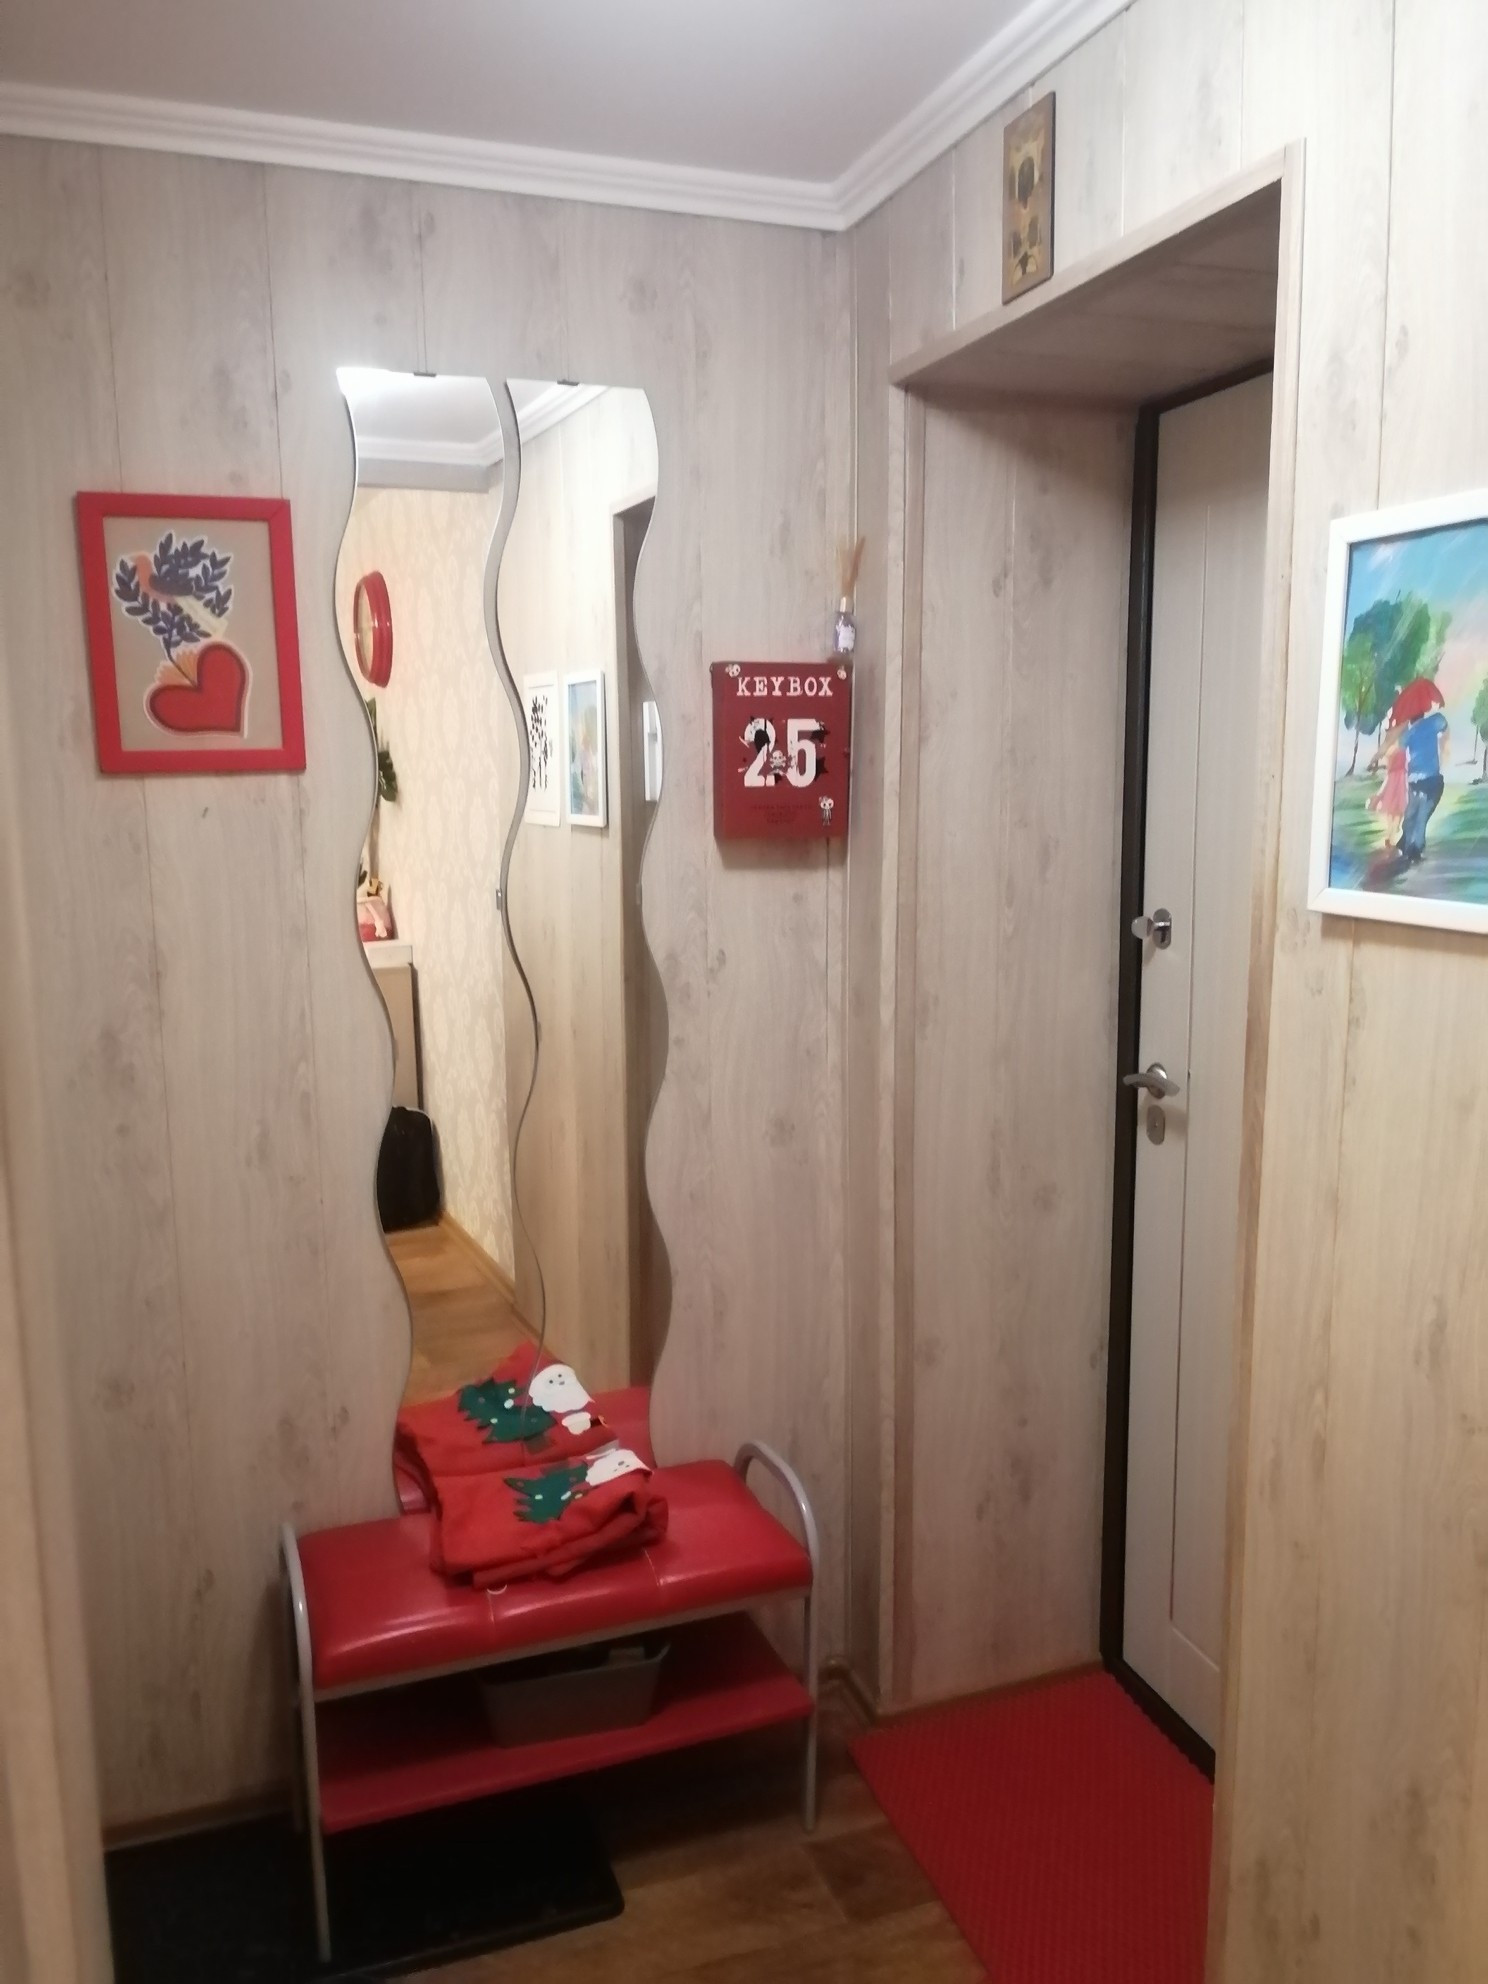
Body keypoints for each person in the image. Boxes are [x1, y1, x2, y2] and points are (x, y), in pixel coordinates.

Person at [1397, 704, 1449, 864]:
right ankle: (1414, 847)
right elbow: (1443, 723)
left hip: (1415, 780)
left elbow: (1401, 746)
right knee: (1422, 814)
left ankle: (1409, 845)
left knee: (1412, 813)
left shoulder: (1408, 733)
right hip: (1432, 779)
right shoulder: (1433, 722)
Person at [1367, 724, 1408, 847]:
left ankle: (1391, 834)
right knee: (1397, 808)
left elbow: (1389, 765)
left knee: (1393, 808)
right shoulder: (1403, 747)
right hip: (1400, 779)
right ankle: (1392, 834)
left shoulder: (1391, 748)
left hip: (1394, 779)